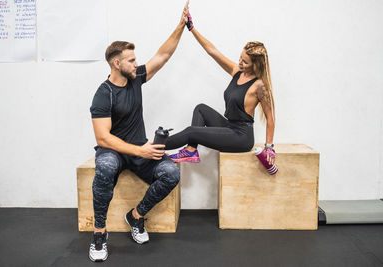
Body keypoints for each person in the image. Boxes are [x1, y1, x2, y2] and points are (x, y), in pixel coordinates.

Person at [88, 3, 189, 262]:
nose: (136, 64)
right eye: (131, 60)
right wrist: (139, 150)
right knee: (106, 169)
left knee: (170, 173)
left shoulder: (135, 78)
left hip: (138, 150)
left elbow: (163, 55)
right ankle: (99, 233)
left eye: (136, 59)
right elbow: (103, 138)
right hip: (114, 151)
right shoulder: (103, 94)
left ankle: (136, 216)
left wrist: (180, 26)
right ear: (116, 62)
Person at [166, 10, 276, 166]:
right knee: (201, 109)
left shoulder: (260, 86)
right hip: (229, 127)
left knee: (191, 131)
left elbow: (270, 117)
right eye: (240, 58)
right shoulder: (237, 71)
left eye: (245, 62)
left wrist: (269, 147)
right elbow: (212, 51)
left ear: (256, 65)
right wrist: (192, 29)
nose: (239, 63)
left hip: (241, 137)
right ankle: (191, 150)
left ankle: (155, 146)